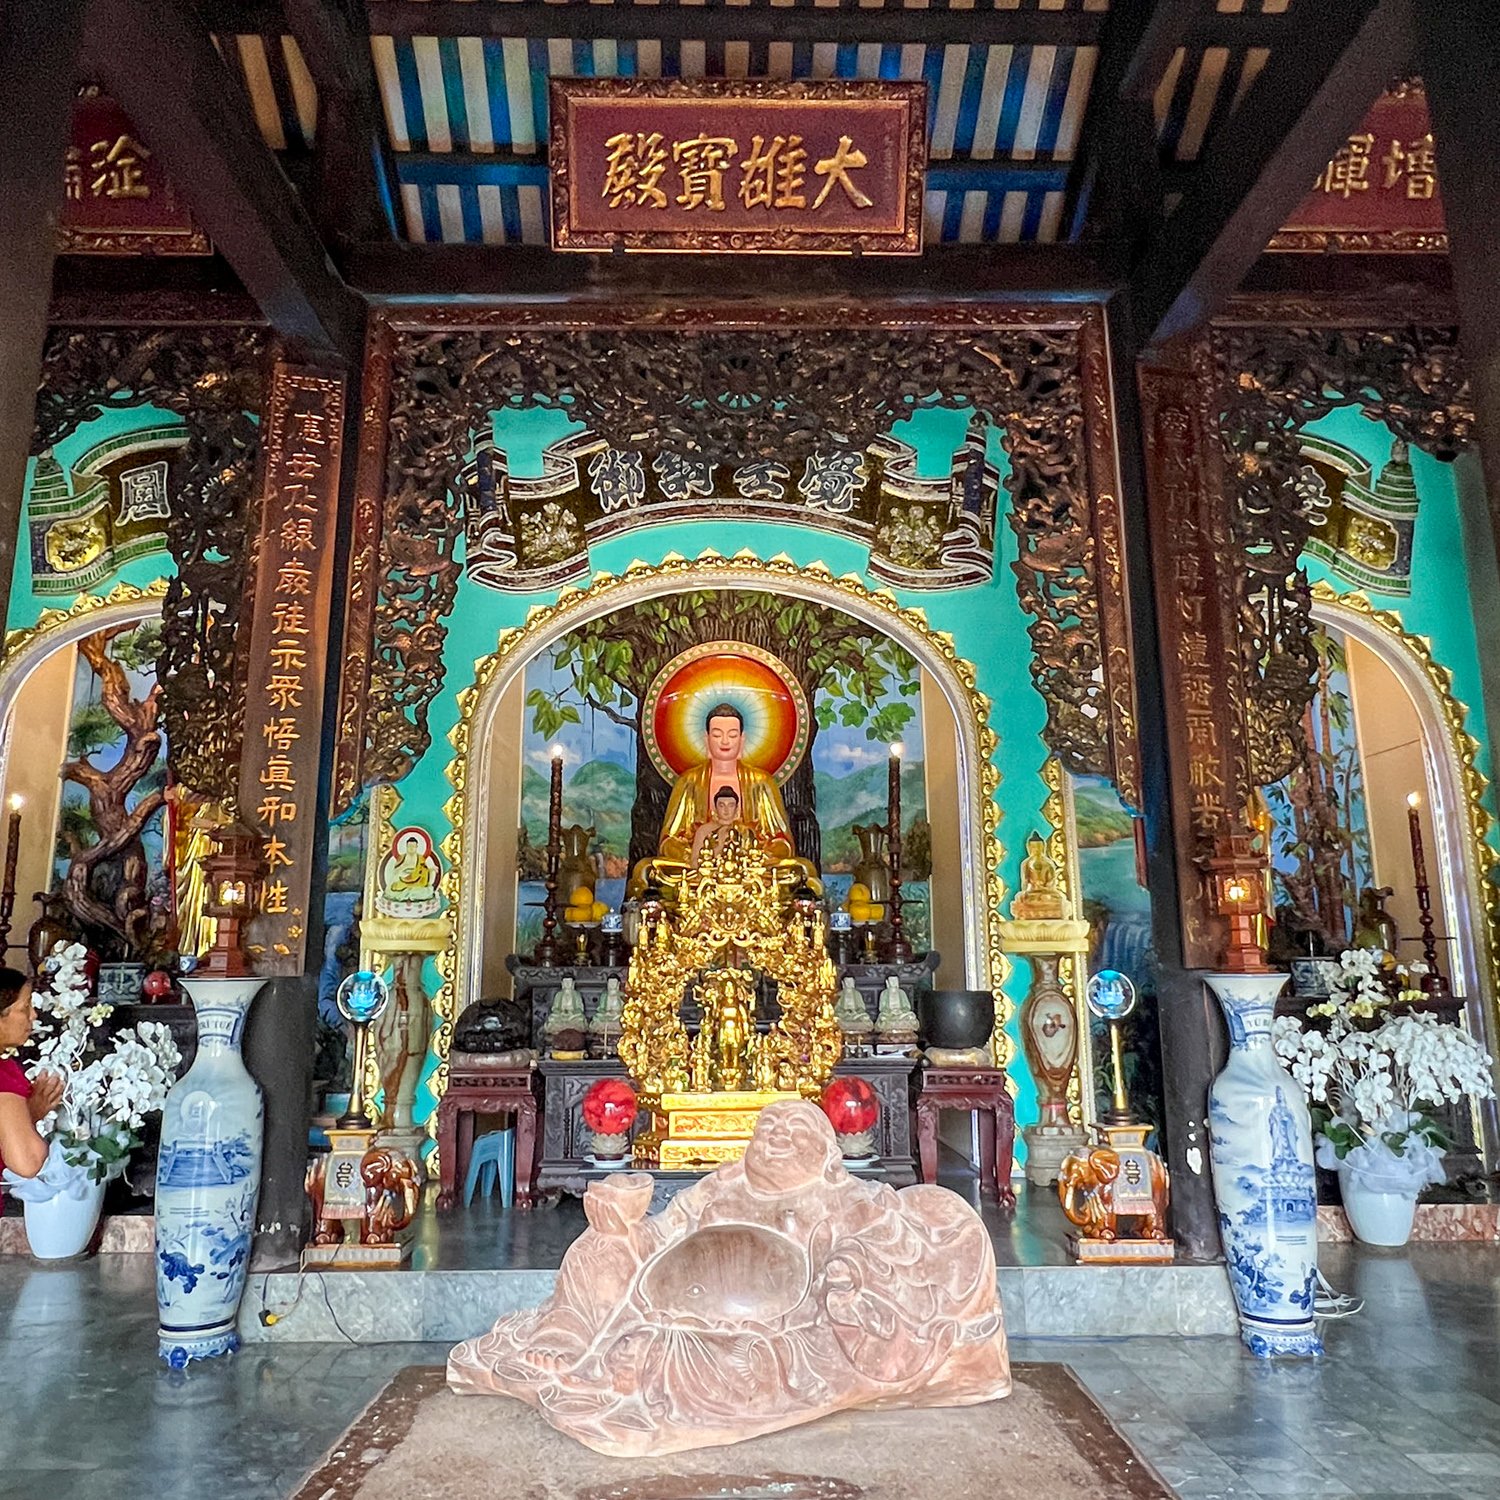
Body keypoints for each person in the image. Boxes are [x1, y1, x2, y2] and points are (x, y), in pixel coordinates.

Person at [0, 969, 64, 1200]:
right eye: (25, 1007)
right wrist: (30, 1113)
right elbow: (27, 1161)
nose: (34, 1015)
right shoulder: (2, 1074)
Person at [689, 786, 744, 867]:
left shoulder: (744, 831)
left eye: (731, 805)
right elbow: (694, 861)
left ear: (736, 808)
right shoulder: (704, 830)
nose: (726, 810)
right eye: (721, 806)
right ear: (715, 808)